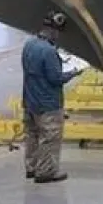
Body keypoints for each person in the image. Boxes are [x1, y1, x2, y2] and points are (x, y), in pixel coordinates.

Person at [21, 10, 84, 183]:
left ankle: (32, 167)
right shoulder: (48, 51)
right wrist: (74, 71)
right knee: (49, 138)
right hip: (48, 104)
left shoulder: (29, 45)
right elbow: (56, 78)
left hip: (30, 101)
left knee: (32, 136)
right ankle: (46, 172)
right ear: (54, 30)